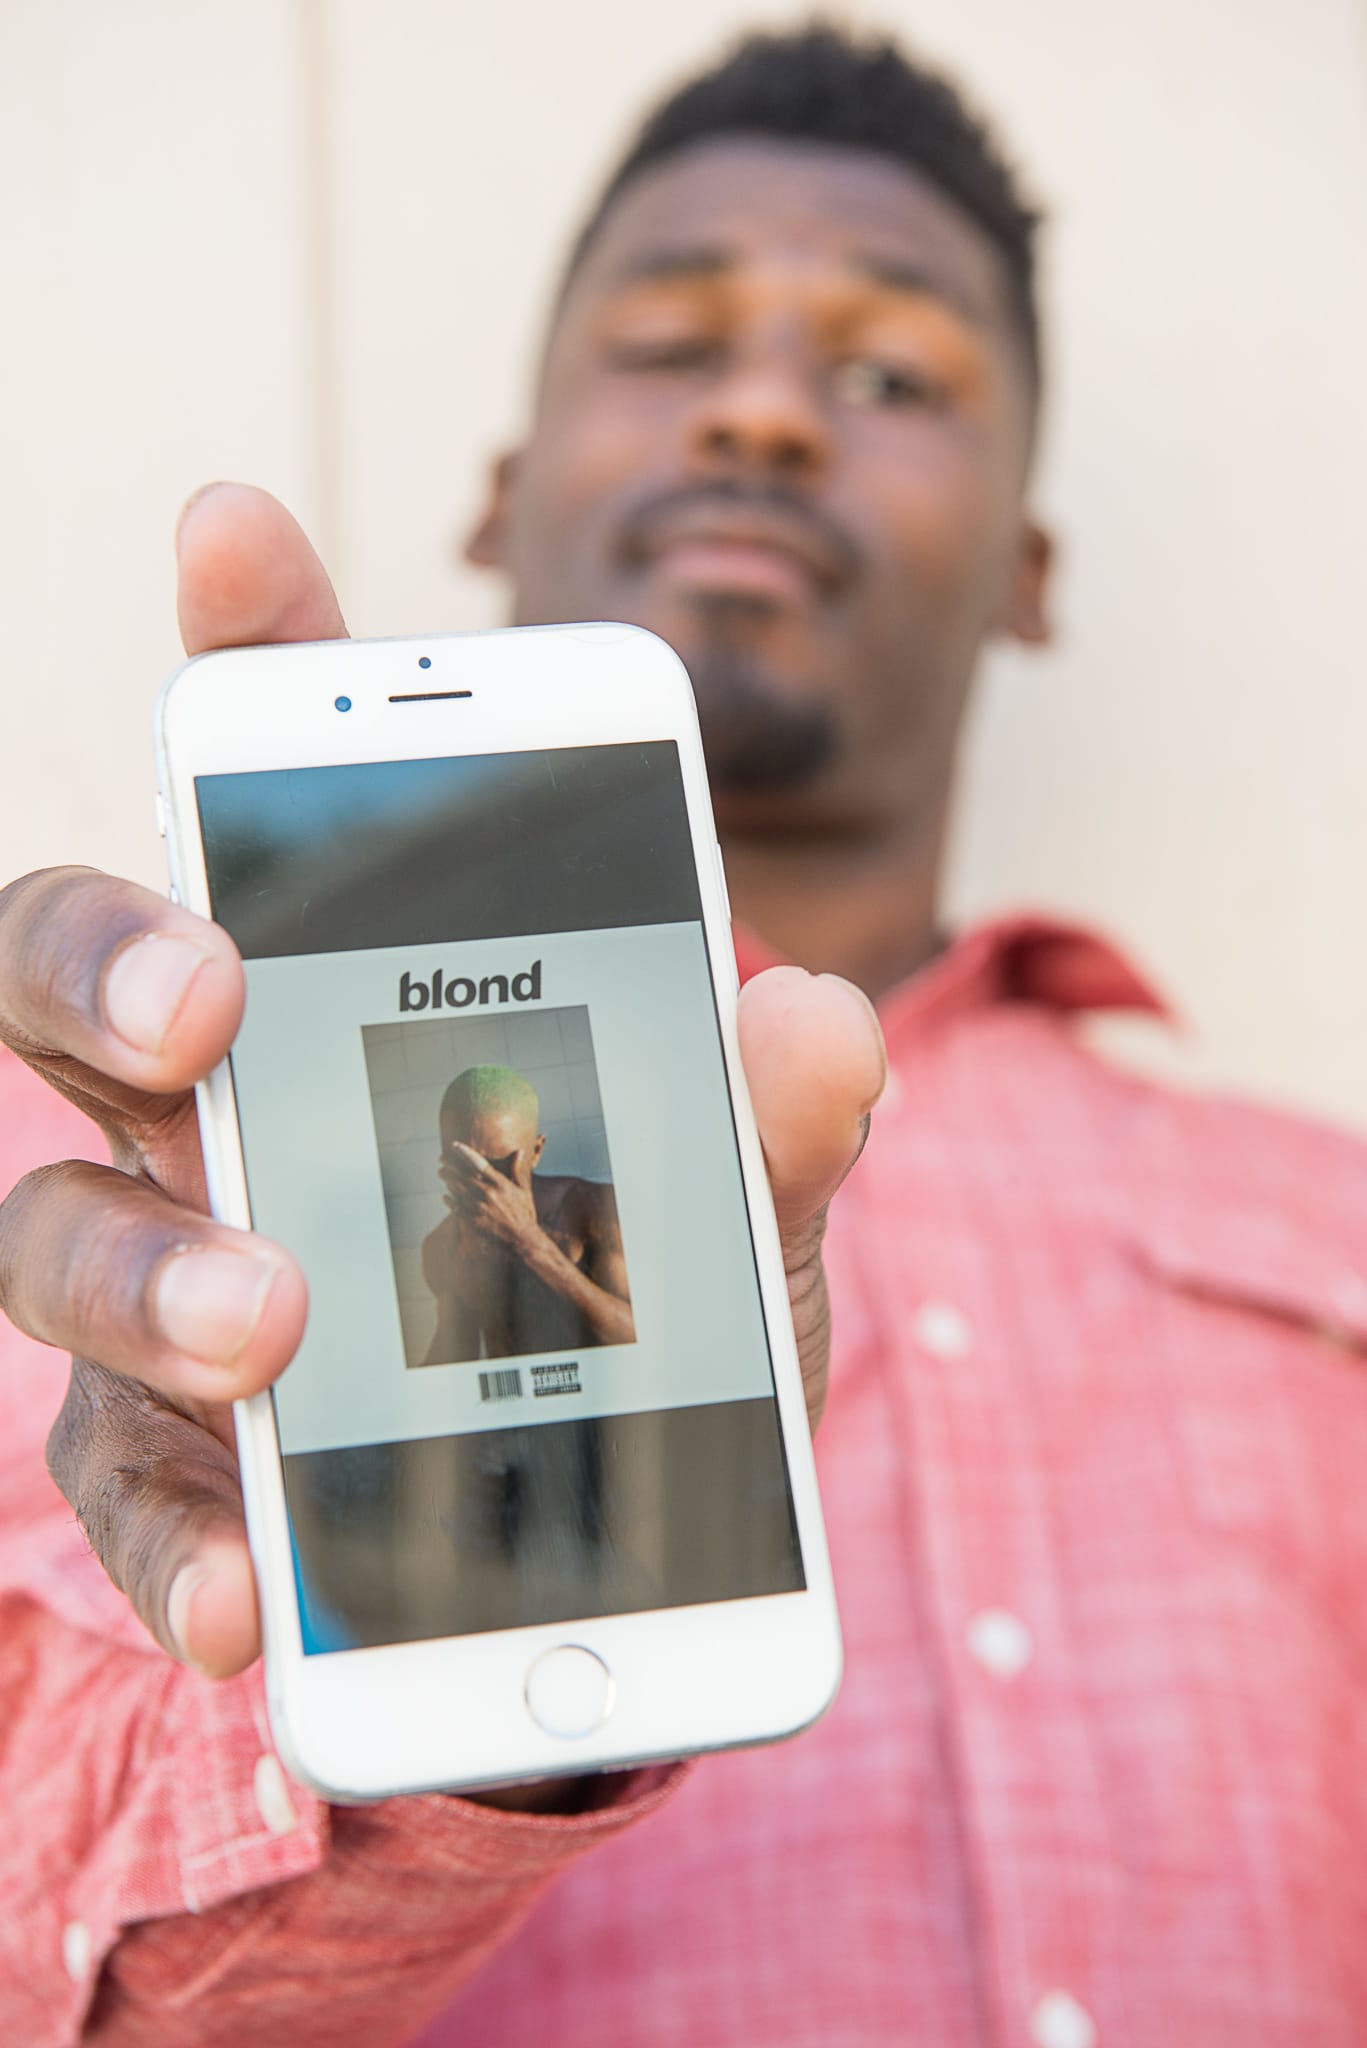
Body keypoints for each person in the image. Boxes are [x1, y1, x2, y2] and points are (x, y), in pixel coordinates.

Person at [0, 21, 1363, 2046]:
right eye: (665, 343)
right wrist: (425, 1651)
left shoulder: (1320, 1217)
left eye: (889, 374)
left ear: (1029, 572)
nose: (760, 412)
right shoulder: (130, 1198)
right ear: (495, 494)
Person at [420, 1064, 634, 1364]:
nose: (483, 1181)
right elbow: (454, 1361)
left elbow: (646, 1340)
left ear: (535, 1152)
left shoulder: (595, 1211)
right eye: (464, 1162)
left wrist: (529, 1242)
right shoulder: (443, 1244)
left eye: (497, 1166)